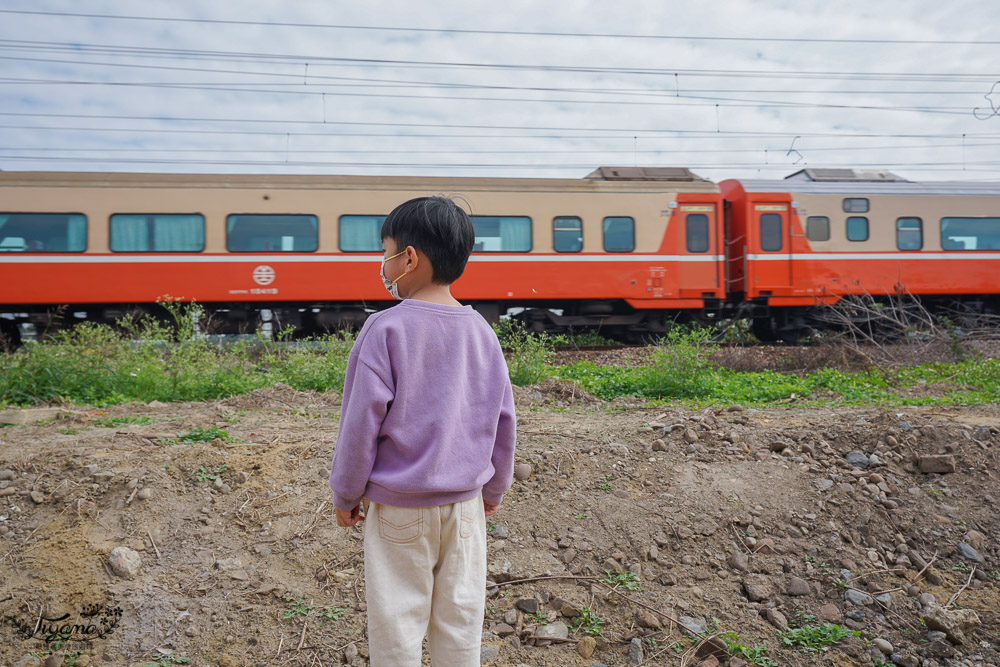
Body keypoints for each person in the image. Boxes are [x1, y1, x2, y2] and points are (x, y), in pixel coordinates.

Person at [328, 196, 516, 666]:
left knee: (397, 627)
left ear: (408, 257)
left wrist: (345, 493)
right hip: (467, 511)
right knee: (460, 623)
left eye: (386, 250)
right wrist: (494, 487)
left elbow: (360, 424)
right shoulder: (481, 332)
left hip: (399, 511)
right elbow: (503, 418)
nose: (384, 262)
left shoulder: (384, 330)